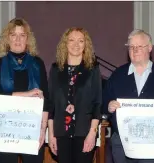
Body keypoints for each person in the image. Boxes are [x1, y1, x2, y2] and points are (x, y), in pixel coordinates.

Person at [103, 29, 154, 163]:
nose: (135, 50)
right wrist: (108, 106)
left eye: (139, 46)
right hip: (122, 143)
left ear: (149, 47)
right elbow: (103, 103)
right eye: (131, 47)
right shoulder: (117, 75)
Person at [0, 18, 48, 163]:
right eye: (13, 35)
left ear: (28, 39)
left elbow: (46, 98)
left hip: (32, 128)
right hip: (3, 129)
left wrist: (42, 130)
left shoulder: (37, 63)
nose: (18, 39)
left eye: (22, 35)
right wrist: (27, 94)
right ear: (7, 38)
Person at [47, 27, 101, 163]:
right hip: (61, 134)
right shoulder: (55, 69)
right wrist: (51, 135)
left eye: (80, 41)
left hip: (85, 133)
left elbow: (97, 103)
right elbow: (51, 104)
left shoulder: (93, 69)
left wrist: (92, 133)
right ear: (65, 44)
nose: (76, 44)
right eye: (71, 40)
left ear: (85, 45)